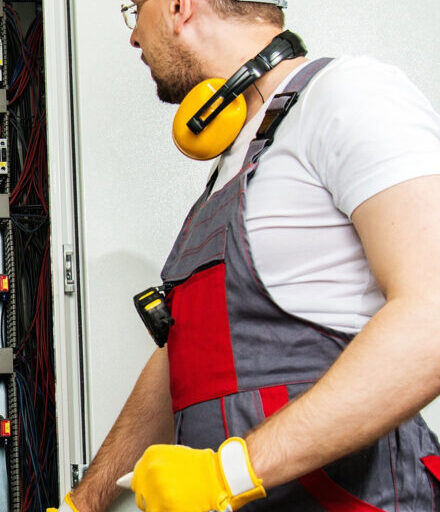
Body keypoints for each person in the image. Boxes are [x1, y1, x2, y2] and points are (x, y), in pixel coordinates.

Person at [58, 0, 440, 510]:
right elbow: (184, 356)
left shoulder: (349, 93)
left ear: (178, 8)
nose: (133, 38)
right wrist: (82, 504)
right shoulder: (236, 161)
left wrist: (229, 474)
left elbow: (432, 317)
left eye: (134, 10)